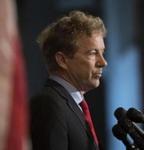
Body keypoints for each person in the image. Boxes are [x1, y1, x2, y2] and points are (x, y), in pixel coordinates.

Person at [30, 10, 107, 150]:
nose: (103, 62)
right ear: (62, 60)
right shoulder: (48, 105)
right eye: (93, 53)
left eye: (102, 53)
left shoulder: (74, 105)